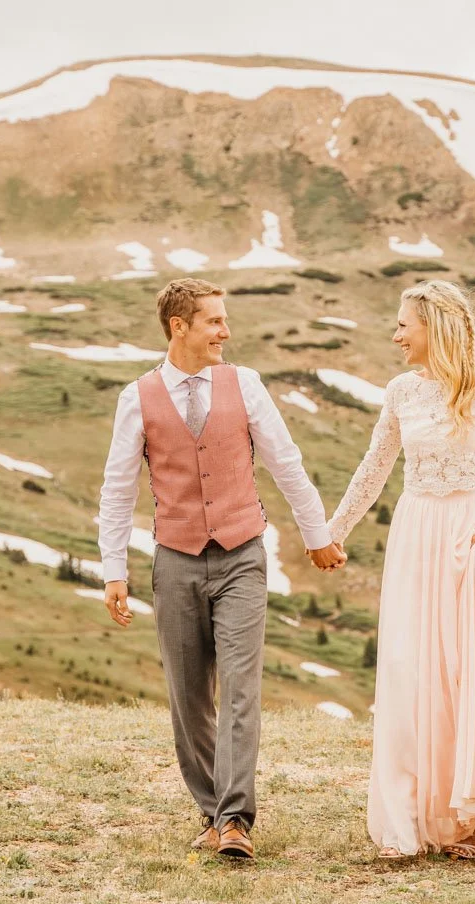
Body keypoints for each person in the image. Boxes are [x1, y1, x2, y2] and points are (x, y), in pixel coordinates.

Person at [98, 277, 346, 860]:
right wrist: (114, 570)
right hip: (176, 561)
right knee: (188, 697)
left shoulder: (246, 385)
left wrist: (318, 536)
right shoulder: (137, 397)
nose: (225, 332)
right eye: (213, 321)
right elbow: (116, 490)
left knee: (239, 689)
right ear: (178, 327)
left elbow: (287, 463)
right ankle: (212, 810)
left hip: (242, 555)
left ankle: (235, 820)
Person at [326, 279, 475, 859]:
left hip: (472, 533)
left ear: (435, 328)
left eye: (404, 325)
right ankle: (416, 815)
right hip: (417, 530)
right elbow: (374, 467)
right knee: (410, 666)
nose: (395, 334)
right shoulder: (400, 391)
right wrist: (334, 531)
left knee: (469, 668)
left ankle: (468, 818)